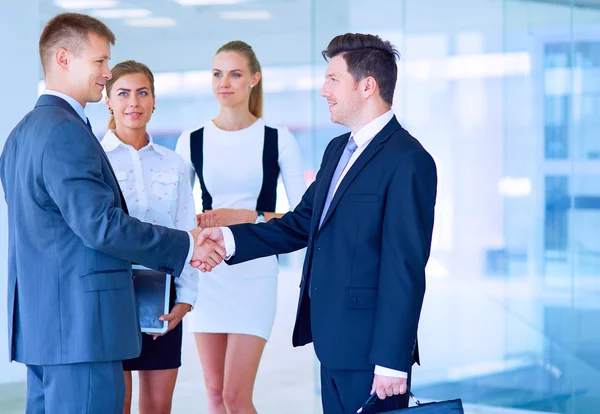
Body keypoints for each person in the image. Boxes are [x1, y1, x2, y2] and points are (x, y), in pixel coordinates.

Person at [196, 33, 438, 414]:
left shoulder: (409, 160)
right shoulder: (337, 149)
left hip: (373, 353)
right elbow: (300, 223)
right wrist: (227, 239)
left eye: (332, 79)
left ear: (367, 86)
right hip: (332, 340)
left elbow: (404, 269)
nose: (323, 89)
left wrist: (392, 360)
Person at [0, 13, 224, 414]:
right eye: (100, 61)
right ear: (64, 59)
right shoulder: (66, 131)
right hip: (81, 330)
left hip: (43, 329)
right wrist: (188, 244)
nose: (106, 73)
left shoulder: (21, 133)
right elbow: (102, 226)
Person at [175, 40, 306, 413]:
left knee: (235, 396)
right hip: (210, 274)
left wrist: (245, 216)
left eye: (234, 74)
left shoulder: (278, 139)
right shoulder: (192, 140)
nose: (224, 82)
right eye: (217, 73)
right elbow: (179, 213)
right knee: (215, 394)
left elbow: (303, 220)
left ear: (254, 79)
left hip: (255, 275)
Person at [101, 60, 198, 414]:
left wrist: (185, 301)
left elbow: (187, 233)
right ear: (108, 100)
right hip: (112, 296)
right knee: (118, 406)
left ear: (154, 101)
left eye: (143, 93)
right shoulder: (94, 160)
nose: (134, 102)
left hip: (162, 299)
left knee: (159, 408)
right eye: (123, 93)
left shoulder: (175, 164)